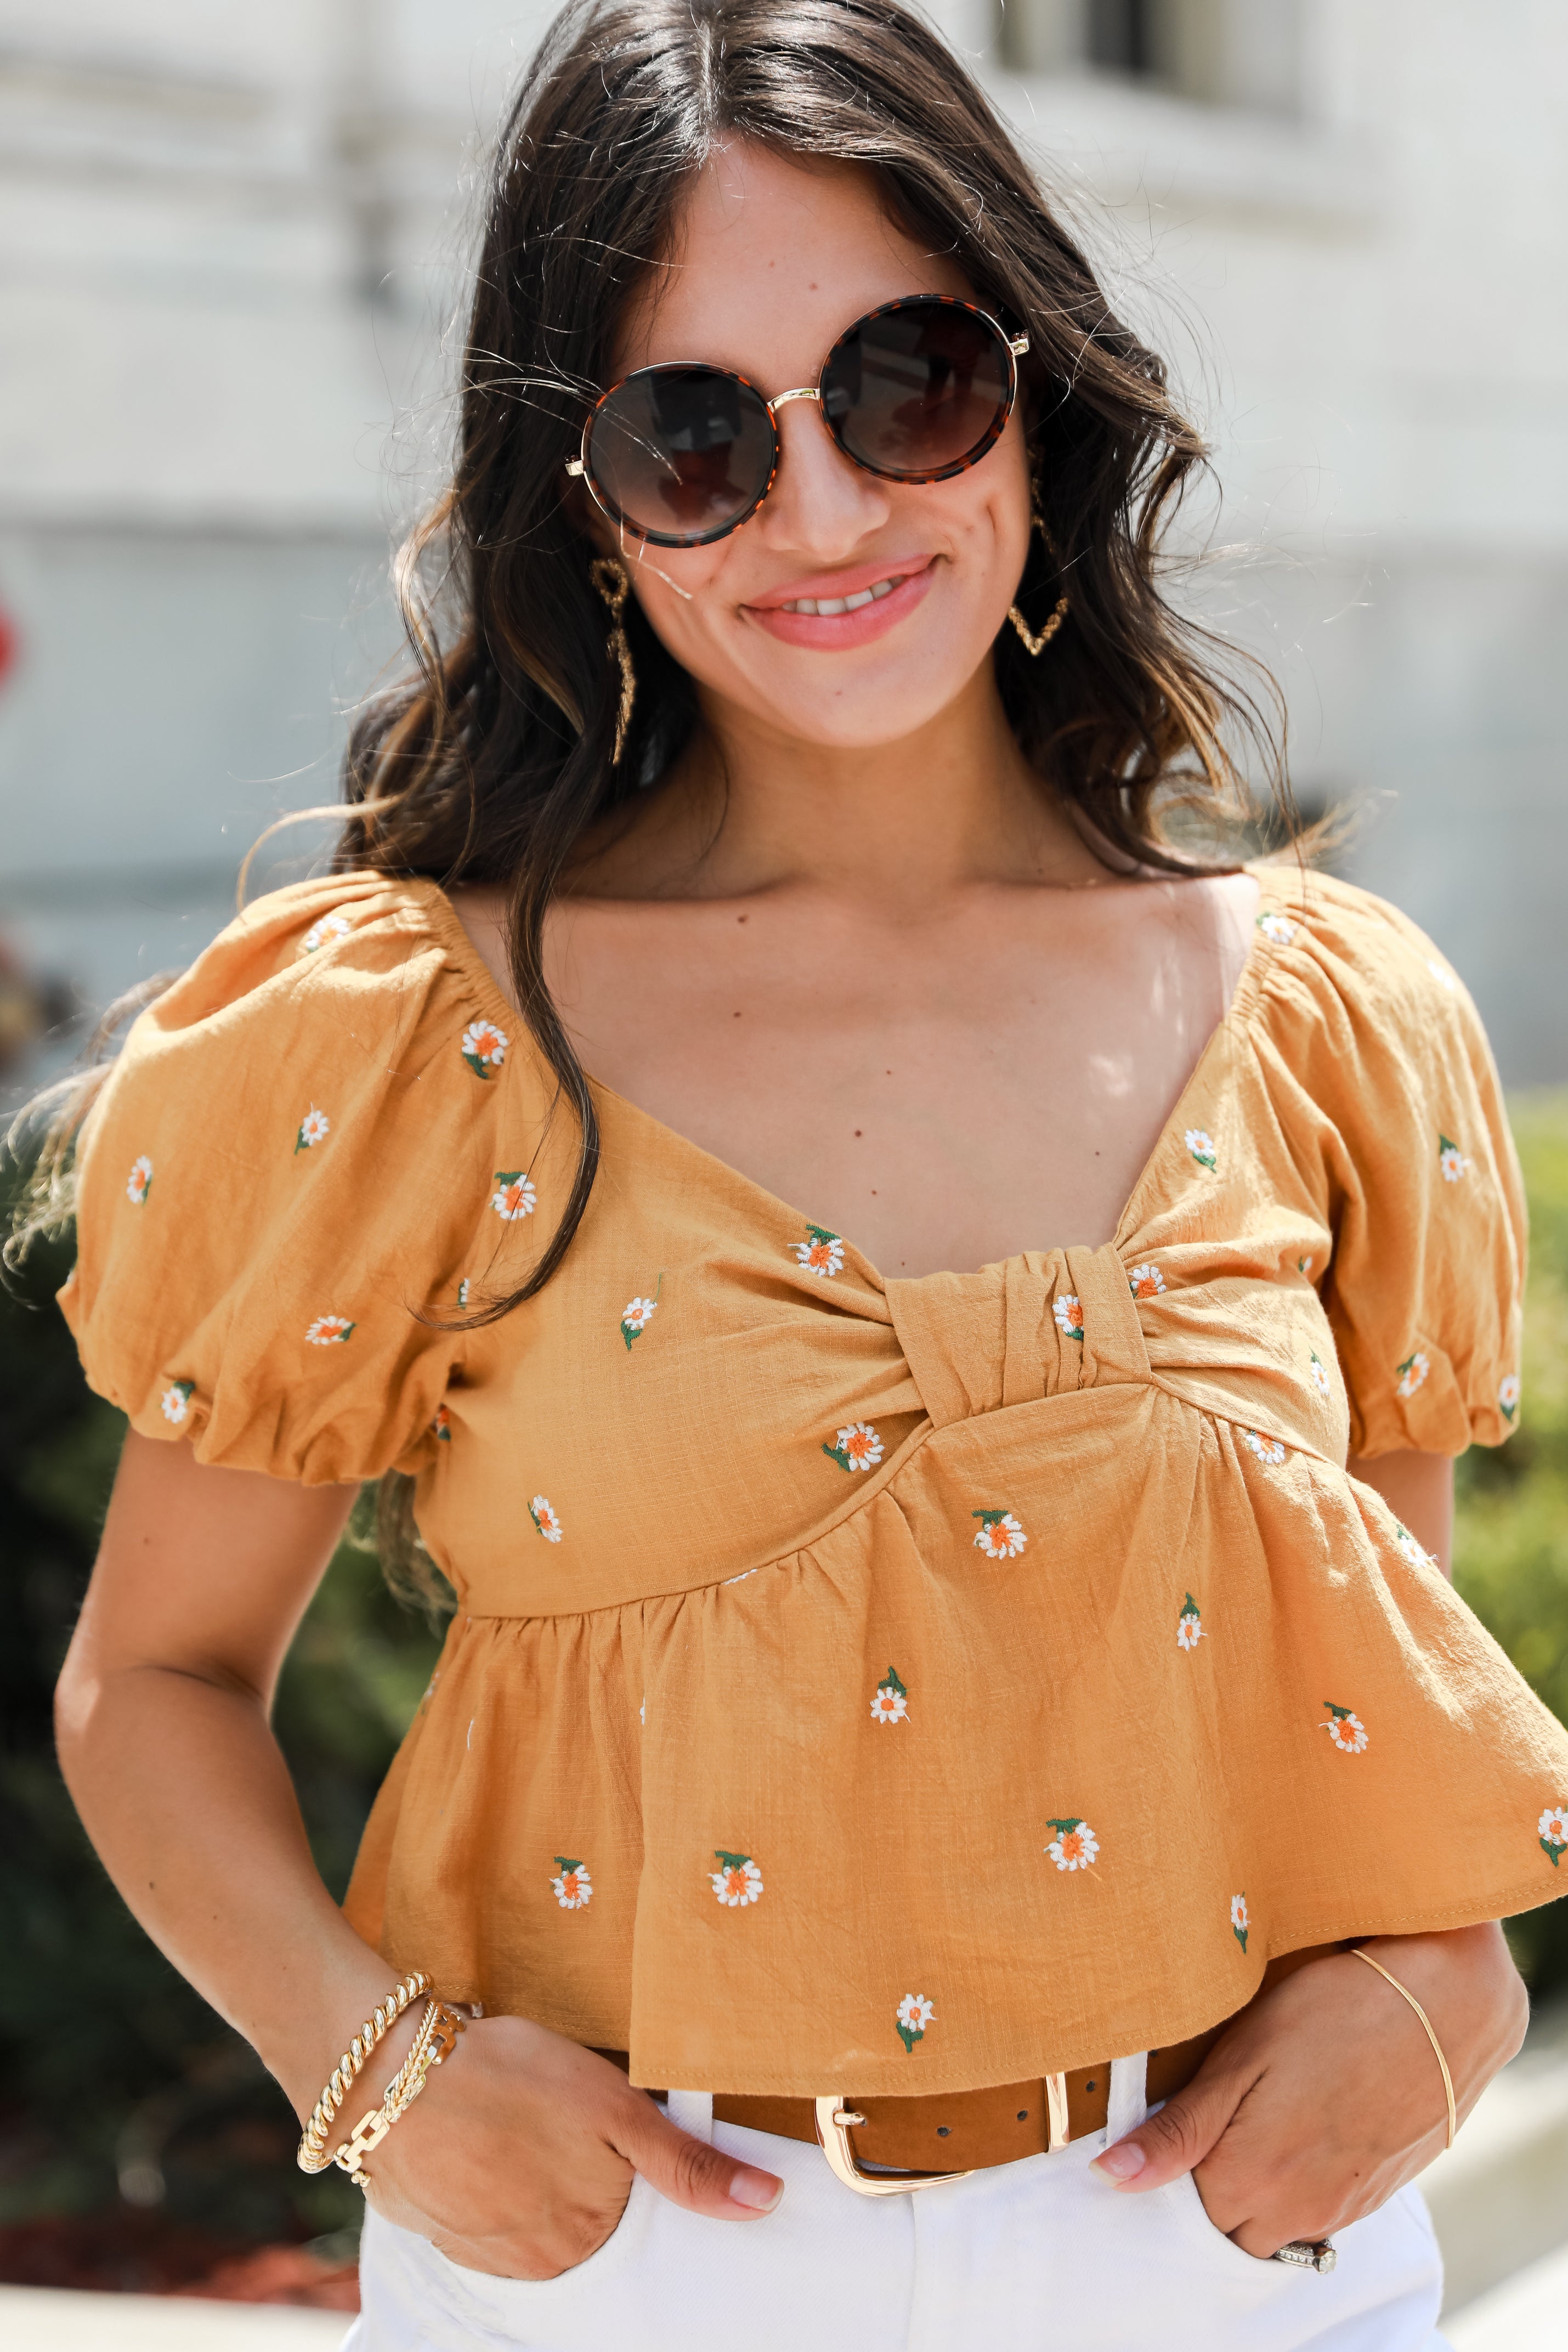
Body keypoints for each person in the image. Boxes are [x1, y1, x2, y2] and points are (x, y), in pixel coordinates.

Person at [26, 3, 1568, 2345]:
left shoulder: (1334, 1012)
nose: (826, 509)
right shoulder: (412, 1028)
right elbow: (150, 1676)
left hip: (1237, 2259)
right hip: (633, 2267)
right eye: (689, 435)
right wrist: (383, 2081)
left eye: (904, 382)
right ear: (585, 499)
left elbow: (1387, 1723)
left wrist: (1451, 1993)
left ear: (1035, 389)